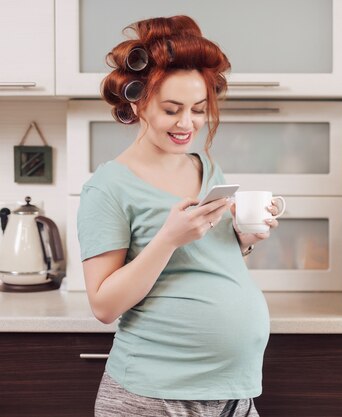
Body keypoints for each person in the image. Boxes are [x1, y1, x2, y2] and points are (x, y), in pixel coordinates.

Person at [77, 15, 277, 417]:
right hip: (153, 397)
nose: (188, 124)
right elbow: (103, 305)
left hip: (234, 394)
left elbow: (200, 264)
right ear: (137, 102)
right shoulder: (108, 187)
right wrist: (168, 237)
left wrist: (243, 241)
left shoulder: (205, 167)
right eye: (172, 110)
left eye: (199, 110)